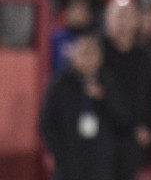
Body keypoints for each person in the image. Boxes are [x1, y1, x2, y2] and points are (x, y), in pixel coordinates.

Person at [39, 34, 129, 180]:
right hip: (69, 160)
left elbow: (123, 119)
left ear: (100, 59)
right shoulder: (59, 84)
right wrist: (59, 152)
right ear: (73, 57)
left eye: (92, 53)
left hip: (100, 161)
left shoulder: (109, 83)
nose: (88, 58)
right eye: (83, 53)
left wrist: (103, 98)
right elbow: (46, 122)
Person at [101, 0, 151, 180]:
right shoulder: (97, 53)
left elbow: (150, 95)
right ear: (107, 20)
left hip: (133, 134)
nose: (123, 22)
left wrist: (147, 125)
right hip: (100, 134)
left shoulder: (144, 57)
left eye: (128, 16)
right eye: (118, 16)